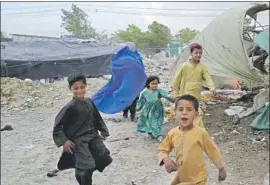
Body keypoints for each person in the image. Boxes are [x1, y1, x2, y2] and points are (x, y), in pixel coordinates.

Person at [52, 74, 112, 185]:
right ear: (70, 89)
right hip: (78, 140)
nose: (79, 91)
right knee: (88, 166)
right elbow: (58, 125)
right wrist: (64, 141)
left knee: (105, 158)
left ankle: (82, 168)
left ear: (86, 86)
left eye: (82, 87)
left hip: (93, 135)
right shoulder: (69, 107)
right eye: (76, 88)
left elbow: (97, 117)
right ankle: (83, 175)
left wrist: (103, 130)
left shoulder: (89, 101)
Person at [158, 95, 226, 185]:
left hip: (198, 179)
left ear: (196, 114)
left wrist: (221, 168)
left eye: (189, 109)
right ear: (175, 113)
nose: (184, 113)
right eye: (180, 109)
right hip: (181, 177)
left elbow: (213, 151)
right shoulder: (172, 133)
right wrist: (165, 159)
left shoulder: (201, 133)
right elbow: (162, 149)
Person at [172, 42, 215, 129]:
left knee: (194, 116)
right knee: (192, 115)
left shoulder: (202, 67)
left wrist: (212, 87)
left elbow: (208, 77)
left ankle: (196, 136)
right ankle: (195, 135)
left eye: (200, 53)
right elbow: (176, 81)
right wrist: (176, 94)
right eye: (196, 53)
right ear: (191, 53)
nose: (198, 55)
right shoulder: (183, 66)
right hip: (185, 96)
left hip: (196, 96)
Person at [136, 76, 174, 143]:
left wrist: (174, 100)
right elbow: (141, 101)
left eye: (156, 84)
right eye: (153, 84)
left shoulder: (159, 91)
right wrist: (137, 108)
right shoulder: (144, 92)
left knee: (157, 121)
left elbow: (166, 96)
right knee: (150, 121)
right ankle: (154, 134)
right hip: (148, 110)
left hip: (157, 109)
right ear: (148, 84)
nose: (155, 85)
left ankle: (156, 134)